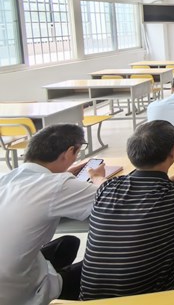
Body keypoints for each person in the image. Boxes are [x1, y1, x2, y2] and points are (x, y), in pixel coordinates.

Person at [80, 120, 174, 300]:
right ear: (173, 152)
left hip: (90, 300)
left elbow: (101, 181)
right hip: (151, 300)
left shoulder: (107, 188)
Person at [0, 124, 107, 304]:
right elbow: (111, 198)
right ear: (69, 152)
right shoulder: (58, 186)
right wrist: (97, 177)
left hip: (8, 278)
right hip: (17, 295)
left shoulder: (7, 178)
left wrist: (60, 174)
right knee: (103, 266)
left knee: (68, 243)